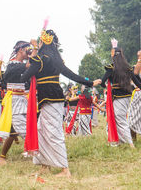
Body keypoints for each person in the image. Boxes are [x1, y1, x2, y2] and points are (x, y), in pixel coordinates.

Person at [20, 29, 101, 177]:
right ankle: (45, 166)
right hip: (54, 98)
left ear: (44, 41)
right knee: (42, 132)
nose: (38, 43)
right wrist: (88, 83)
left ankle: (65, 169)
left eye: (40, 41)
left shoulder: (41, 59)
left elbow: (24, 76)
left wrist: (32, 54)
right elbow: (71, 74)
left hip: (49, 99)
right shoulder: (56, 59)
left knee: (53, 133)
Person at [100, 41, 141, 148]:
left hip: (117, 97)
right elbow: (136, 80)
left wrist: (106, 88)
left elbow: (103, 81)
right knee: (118, 118)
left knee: (120, 119)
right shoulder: (127, 67)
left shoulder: (111, 68)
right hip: (127, 96)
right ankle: (119, 141)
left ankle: (130, 143)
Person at [0, 41, 32, 165]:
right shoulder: (12, 65)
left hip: (22, 99)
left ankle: (2, 157)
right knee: (24, 128)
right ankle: (36, 152)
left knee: (13, 132)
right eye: (27, 50)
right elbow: (29, 65)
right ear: (20, 50)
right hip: (14, 100)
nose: (28, 52)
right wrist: (36, 49)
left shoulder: (21, 65)